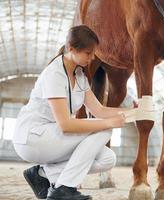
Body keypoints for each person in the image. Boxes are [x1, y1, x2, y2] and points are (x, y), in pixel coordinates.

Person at [12, 25, 131, 200]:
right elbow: (66, 125)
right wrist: (109, 123)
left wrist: (134, 112)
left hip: (52, 136)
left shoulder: (80, 76)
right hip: (32, 138)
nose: (92, 58)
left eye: (93, 53)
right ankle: (64, 189)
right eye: (88, 53)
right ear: (71, 49)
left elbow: (100, 110)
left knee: (107, 158)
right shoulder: (54, 74)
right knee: (104, 129)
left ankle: (43, 173)